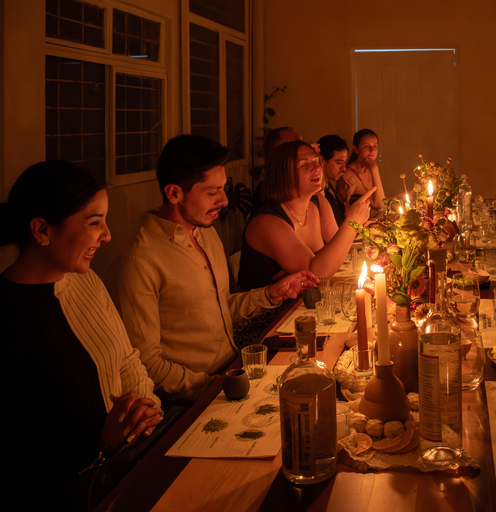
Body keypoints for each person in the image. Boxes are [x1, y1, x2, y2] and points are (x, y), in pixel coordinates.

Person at [1, 161, 163, 509]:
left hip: (132, 459)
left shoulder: (85, 281)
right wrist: (103, 444)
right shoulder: (9, 316)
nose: (106, 235)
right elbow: (20, 452)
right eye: (94, 223)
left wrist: (144, 412)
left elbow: (127, 360)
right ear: (41, 230)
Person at [118, 135, 313, 404]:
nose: (223, 200)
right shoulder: (141, 259)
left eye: (223, 188)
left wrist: (269, 294)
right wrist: (216, 387)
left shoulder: (204, 232)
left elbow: (217, 309)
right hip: (195, 398)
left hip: (233, 369)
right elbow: (148, 363)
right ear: (174, 193)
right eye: (212, 192)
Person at [239, 140, 374, 290]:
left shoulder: (318, 202)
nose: (317, 167)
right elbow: (315, 274)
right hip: (274, 310)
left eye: (316, 161)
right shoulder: (267, 222)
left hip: (306, 300)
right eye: (304, 165)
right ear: (282, 174)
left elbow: (340, 251)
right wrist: (352, 222)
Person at [337, 128, 385, 210]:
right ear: (356, 149)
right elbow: (380, 205)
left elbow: (381, 199)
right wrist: (374, 169)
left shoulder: (368, 170)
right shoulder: (348, 173)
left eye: (375, 146)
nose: (372, 150)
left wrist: (407, 193)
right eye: (366, 146)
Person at [318, 134, 354, 227]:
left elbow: (342, 218)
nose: (344, 168)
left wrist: (348, 194)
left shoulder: (328, 186)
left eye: (344, 162)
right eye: (339, 162)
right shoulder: (317, 191)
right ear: (322, 160)